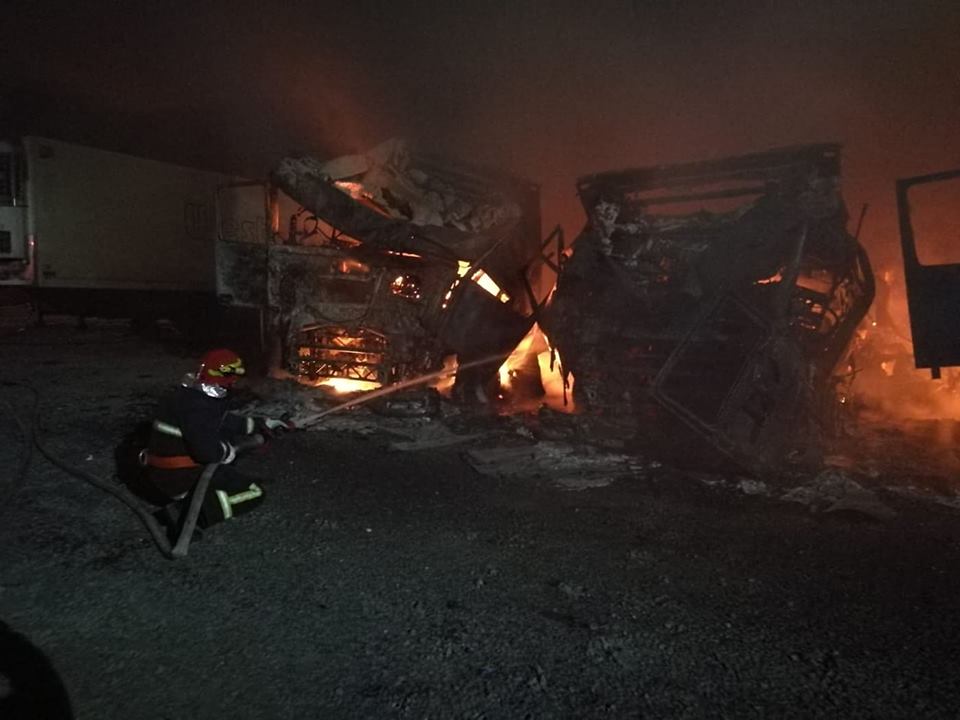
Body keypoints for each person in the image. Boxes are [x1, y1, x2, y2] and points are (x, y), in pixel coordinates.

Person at [139, 348, 289, 530]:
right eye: (233, 379)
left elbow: (221, 420)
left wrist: (261, 425)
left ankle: (205, 495)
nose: (234, 384)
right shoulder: (198, 408)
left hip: (160, 472)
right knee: (255, 493)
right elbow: (207, 453)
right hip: (177, 480)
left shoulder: (191, 395)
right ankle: (189, 513)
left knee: (226, 439)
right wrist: (229, 451)